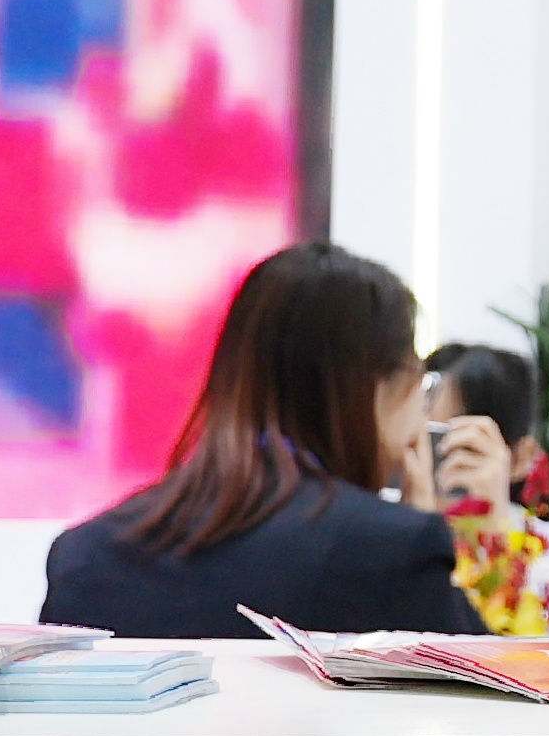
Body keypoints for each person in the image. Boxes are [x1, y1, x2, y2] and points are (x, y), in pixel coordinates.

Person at [41, 243, 483, 639]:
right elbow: (489, 694)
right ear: (376, 388)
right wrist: (420, 535)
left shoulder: (84, 556)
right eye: (420, 385)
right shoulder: (393, 551)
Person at [417, 342, 549, 637]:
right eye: (424, 437)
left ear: (521, 457)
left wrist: (493, 531)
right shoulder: (384, 532)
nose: (433, 459)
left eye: (461, 444)